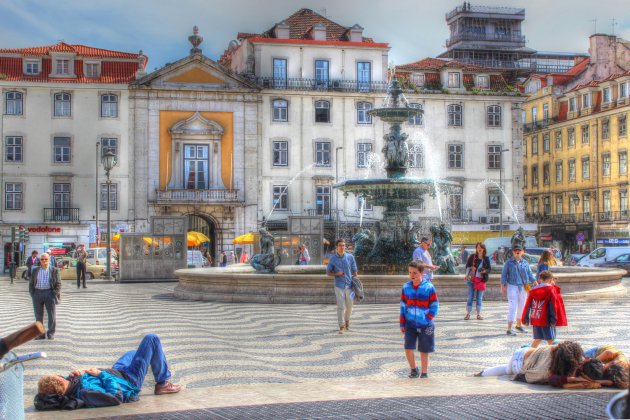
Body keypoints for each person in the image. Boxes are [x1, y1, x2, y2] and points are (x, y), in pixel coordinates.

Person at [35, 334, 181, 410]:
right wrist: (100, 374)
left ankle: (155, 368)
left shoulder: (71, 386)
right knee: (151, 339)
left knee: (132, 353)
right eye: (61, 377)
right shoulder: (86, 393)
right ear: (60, 382)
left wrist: (76, 374)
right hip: (129, 380)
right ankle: (162, 383)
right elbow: (116, 397)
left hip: (117, 371)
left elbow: (72, 382)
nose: (63, 376)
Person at [400, 261, 439, 379]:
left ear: (422, 273)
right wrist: (402, 322)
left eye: (415, 273)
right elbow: (403, 306)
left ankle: (424, 372)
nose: (412, 275)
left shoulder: (429, 287)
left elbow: (435, 305)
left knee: (424, 349)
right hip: (410, 324)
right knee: (408, 347)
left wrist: (428, 318)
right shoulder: (406, 287)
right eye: (410, 273)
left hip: (426, 325)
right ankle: (413, 369)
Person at [522, 271, 567, 347]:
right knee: (551, 340)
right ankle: (555, 357)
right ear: (550, 280)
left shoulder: (533, 290)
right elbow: (553, 305)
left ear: (540, 279)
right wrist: (553, 319)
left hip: (536, 318)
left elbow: (527, 305)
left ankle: (529, 353)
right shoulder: (551, 290)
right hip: (547, 320)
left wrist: (525, 318)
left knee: (538, 338)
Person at [501, 244, 536, 336]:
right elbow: (504, 274)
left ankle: (518, 325)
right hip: (512, 286)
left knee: (522, 306)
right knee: (512, 307)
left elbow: (529, 273)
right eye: (515, 250)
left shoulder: (525, 263)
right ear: (513, 252)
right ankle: (509, 328)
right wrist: (503, 285)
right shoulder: (509, 263)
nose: (517, 251)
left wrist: (535, 281)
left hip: (523, 287)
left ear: (522, 252)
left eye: (519, 250)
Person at [326, 239, 358, 334]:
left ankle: (347, 320)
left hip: (350, 286)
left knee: (350, 306)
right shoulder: (332, 259)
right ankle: (341, 326)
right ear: (336, 247)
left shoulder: (350, 257)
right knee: (340, 306)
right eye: (340, 245)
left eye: (344, 245)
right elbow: (328, 273)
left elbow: (355, 271)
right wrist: (337, 273)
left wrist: (356, 282)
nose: (342, 247)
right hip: (339, 286)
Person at [28, 253, 61, 340]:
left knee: (51, 315)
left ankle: (51, 333)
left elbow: (58, 283)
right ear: (40, 260)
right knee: (38, 316)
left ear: (49, 260)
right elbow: (31, 283)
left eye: (46, 259)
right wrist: (32, 293)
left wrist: (54, 293)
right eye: (42, 259)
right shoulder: (35, 270)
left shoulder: (54, 270)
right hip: (37, 293)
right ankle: (40, 334)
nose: (44, 261)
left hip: (49, 293)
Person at [464, 242, 491, 321]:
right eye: (478, 247)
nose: (479, 249)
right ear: (476, 248)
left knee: (479, 297)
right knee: (470, 297)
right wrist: (471, 268)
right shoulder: (472, 256)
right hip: (471, 279)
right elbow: (467, 266)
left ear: (483, 249)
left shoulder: (486, 258)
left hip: (481, 280)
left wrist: (484, 271)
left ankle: (478, 314)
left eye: (481, 247)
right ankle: (468, 313)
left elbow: (489, 269)